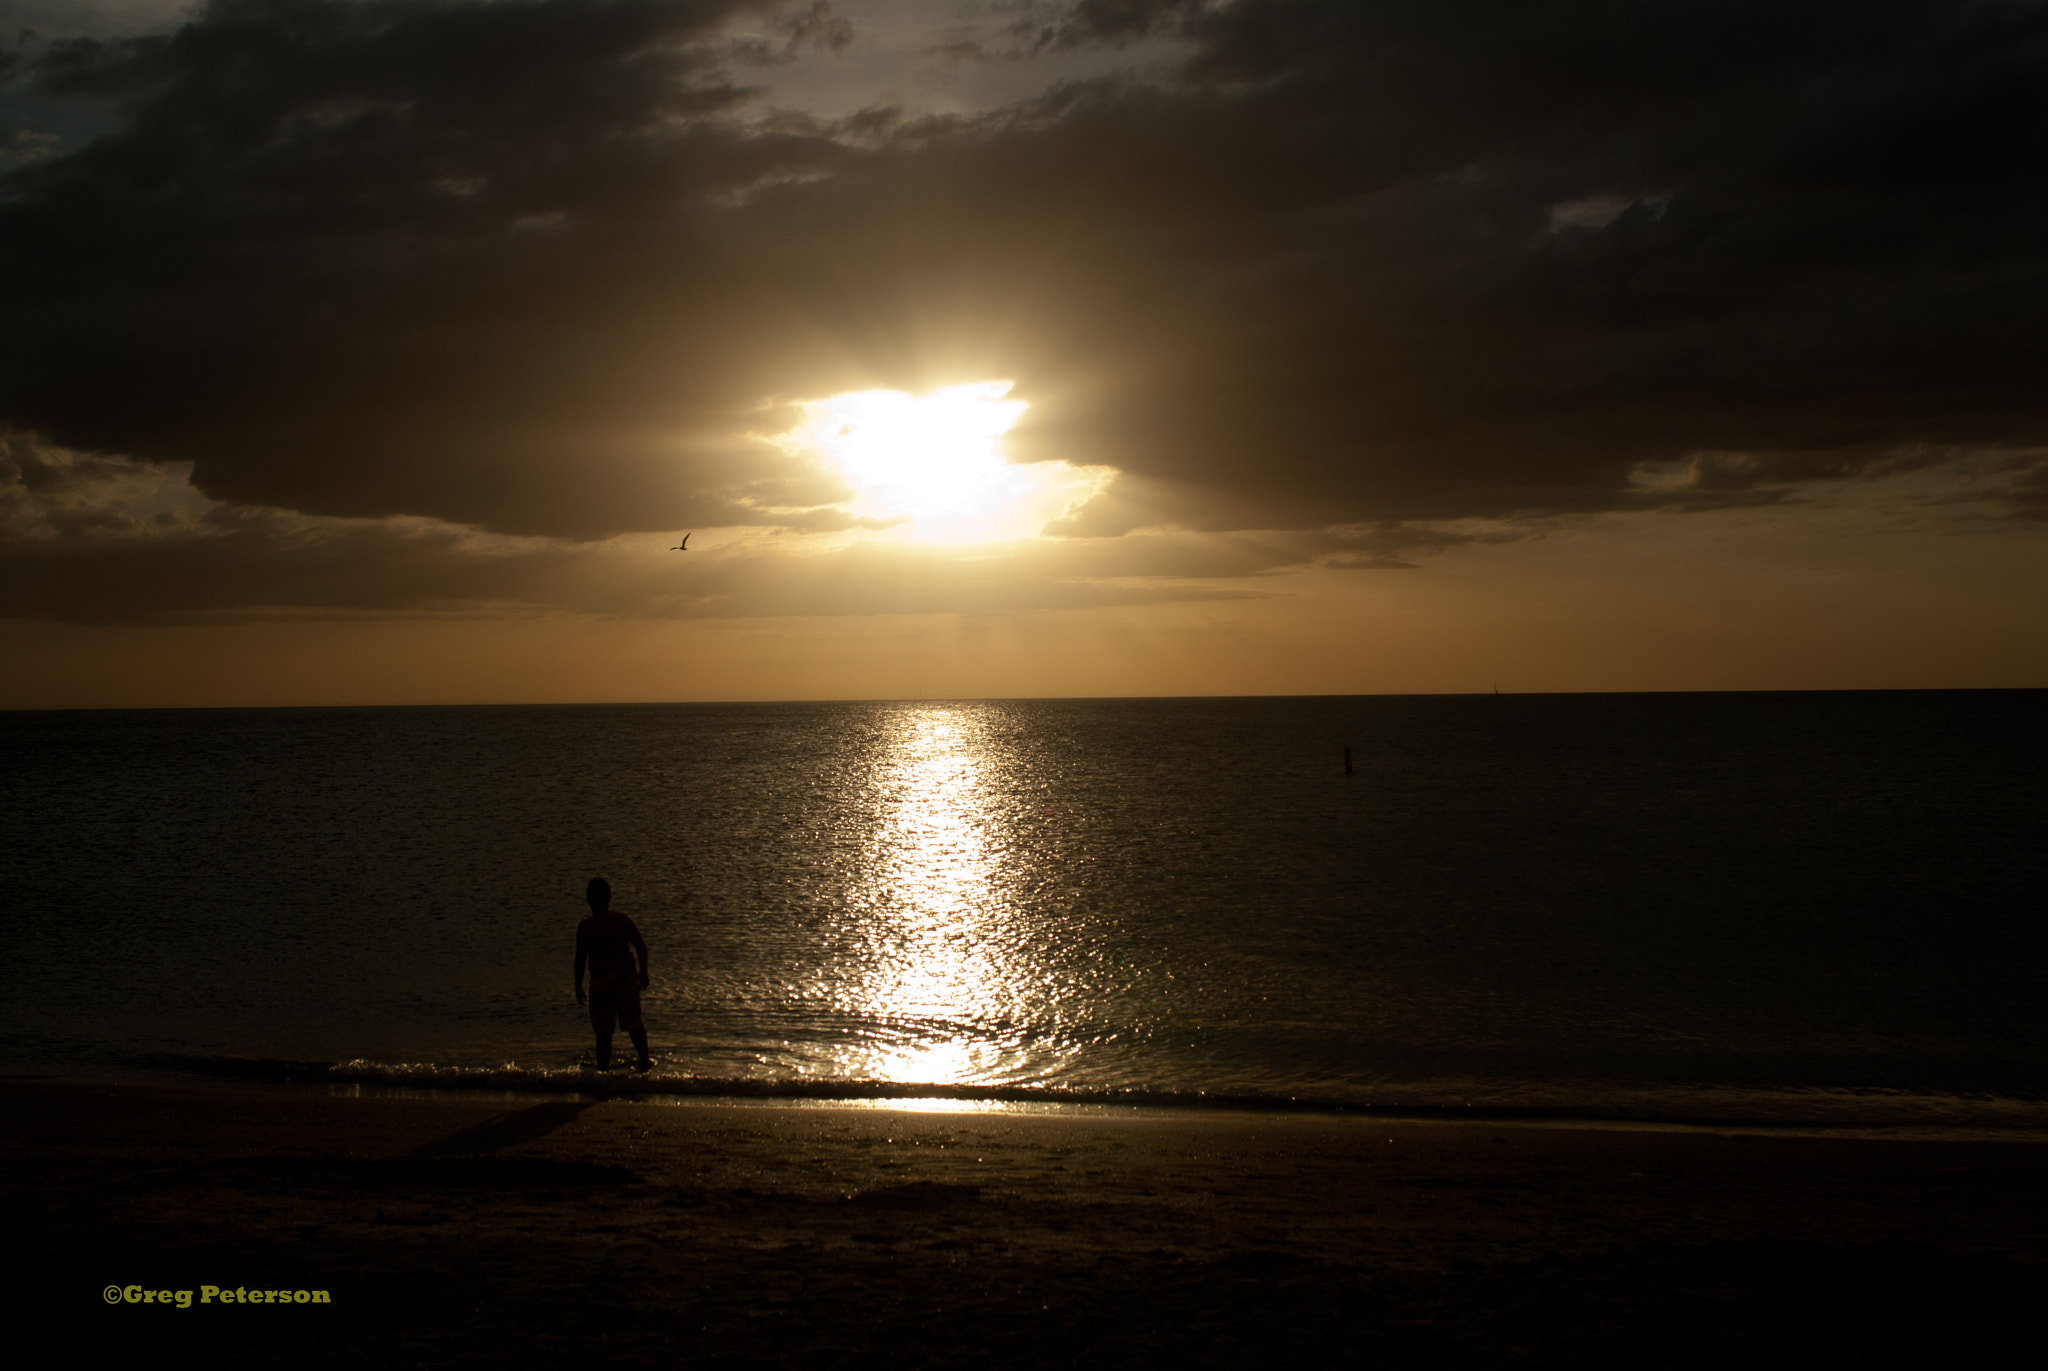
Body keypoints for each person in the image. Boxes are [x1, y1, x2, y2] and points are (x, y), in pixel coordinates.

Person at [574, 876, 651, 1072]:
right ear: (609, 898)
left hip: (601, 982)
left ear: (588, 900)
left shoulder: (586, 927)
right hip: (625, 979)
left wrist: (578, 985)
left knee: (603, 1032)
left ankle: (603, 1071)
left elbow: (580, 959)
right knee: (634, 1024)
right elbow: (641, 947)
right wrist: (643, 972)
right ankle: (645, 1061)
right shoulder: (622, 920)